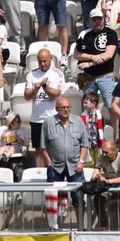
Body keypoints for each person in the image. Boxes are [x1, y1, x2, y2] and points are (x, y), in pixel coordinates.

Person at [42, 97, 89, 228]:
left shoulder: (79, 121)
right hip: (55, 166)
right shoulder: (48, 123)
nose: (66, 109)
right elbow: (43, 146)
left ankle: (81, 226)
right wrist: (49, 162)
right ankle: (53, 227)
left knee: (78, 197)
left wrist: (81, 161)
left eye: (68, 107)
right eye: (63, 107)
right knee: (52, 198)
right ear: (57, 109)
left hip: (75, 166)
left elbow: (84, 144)